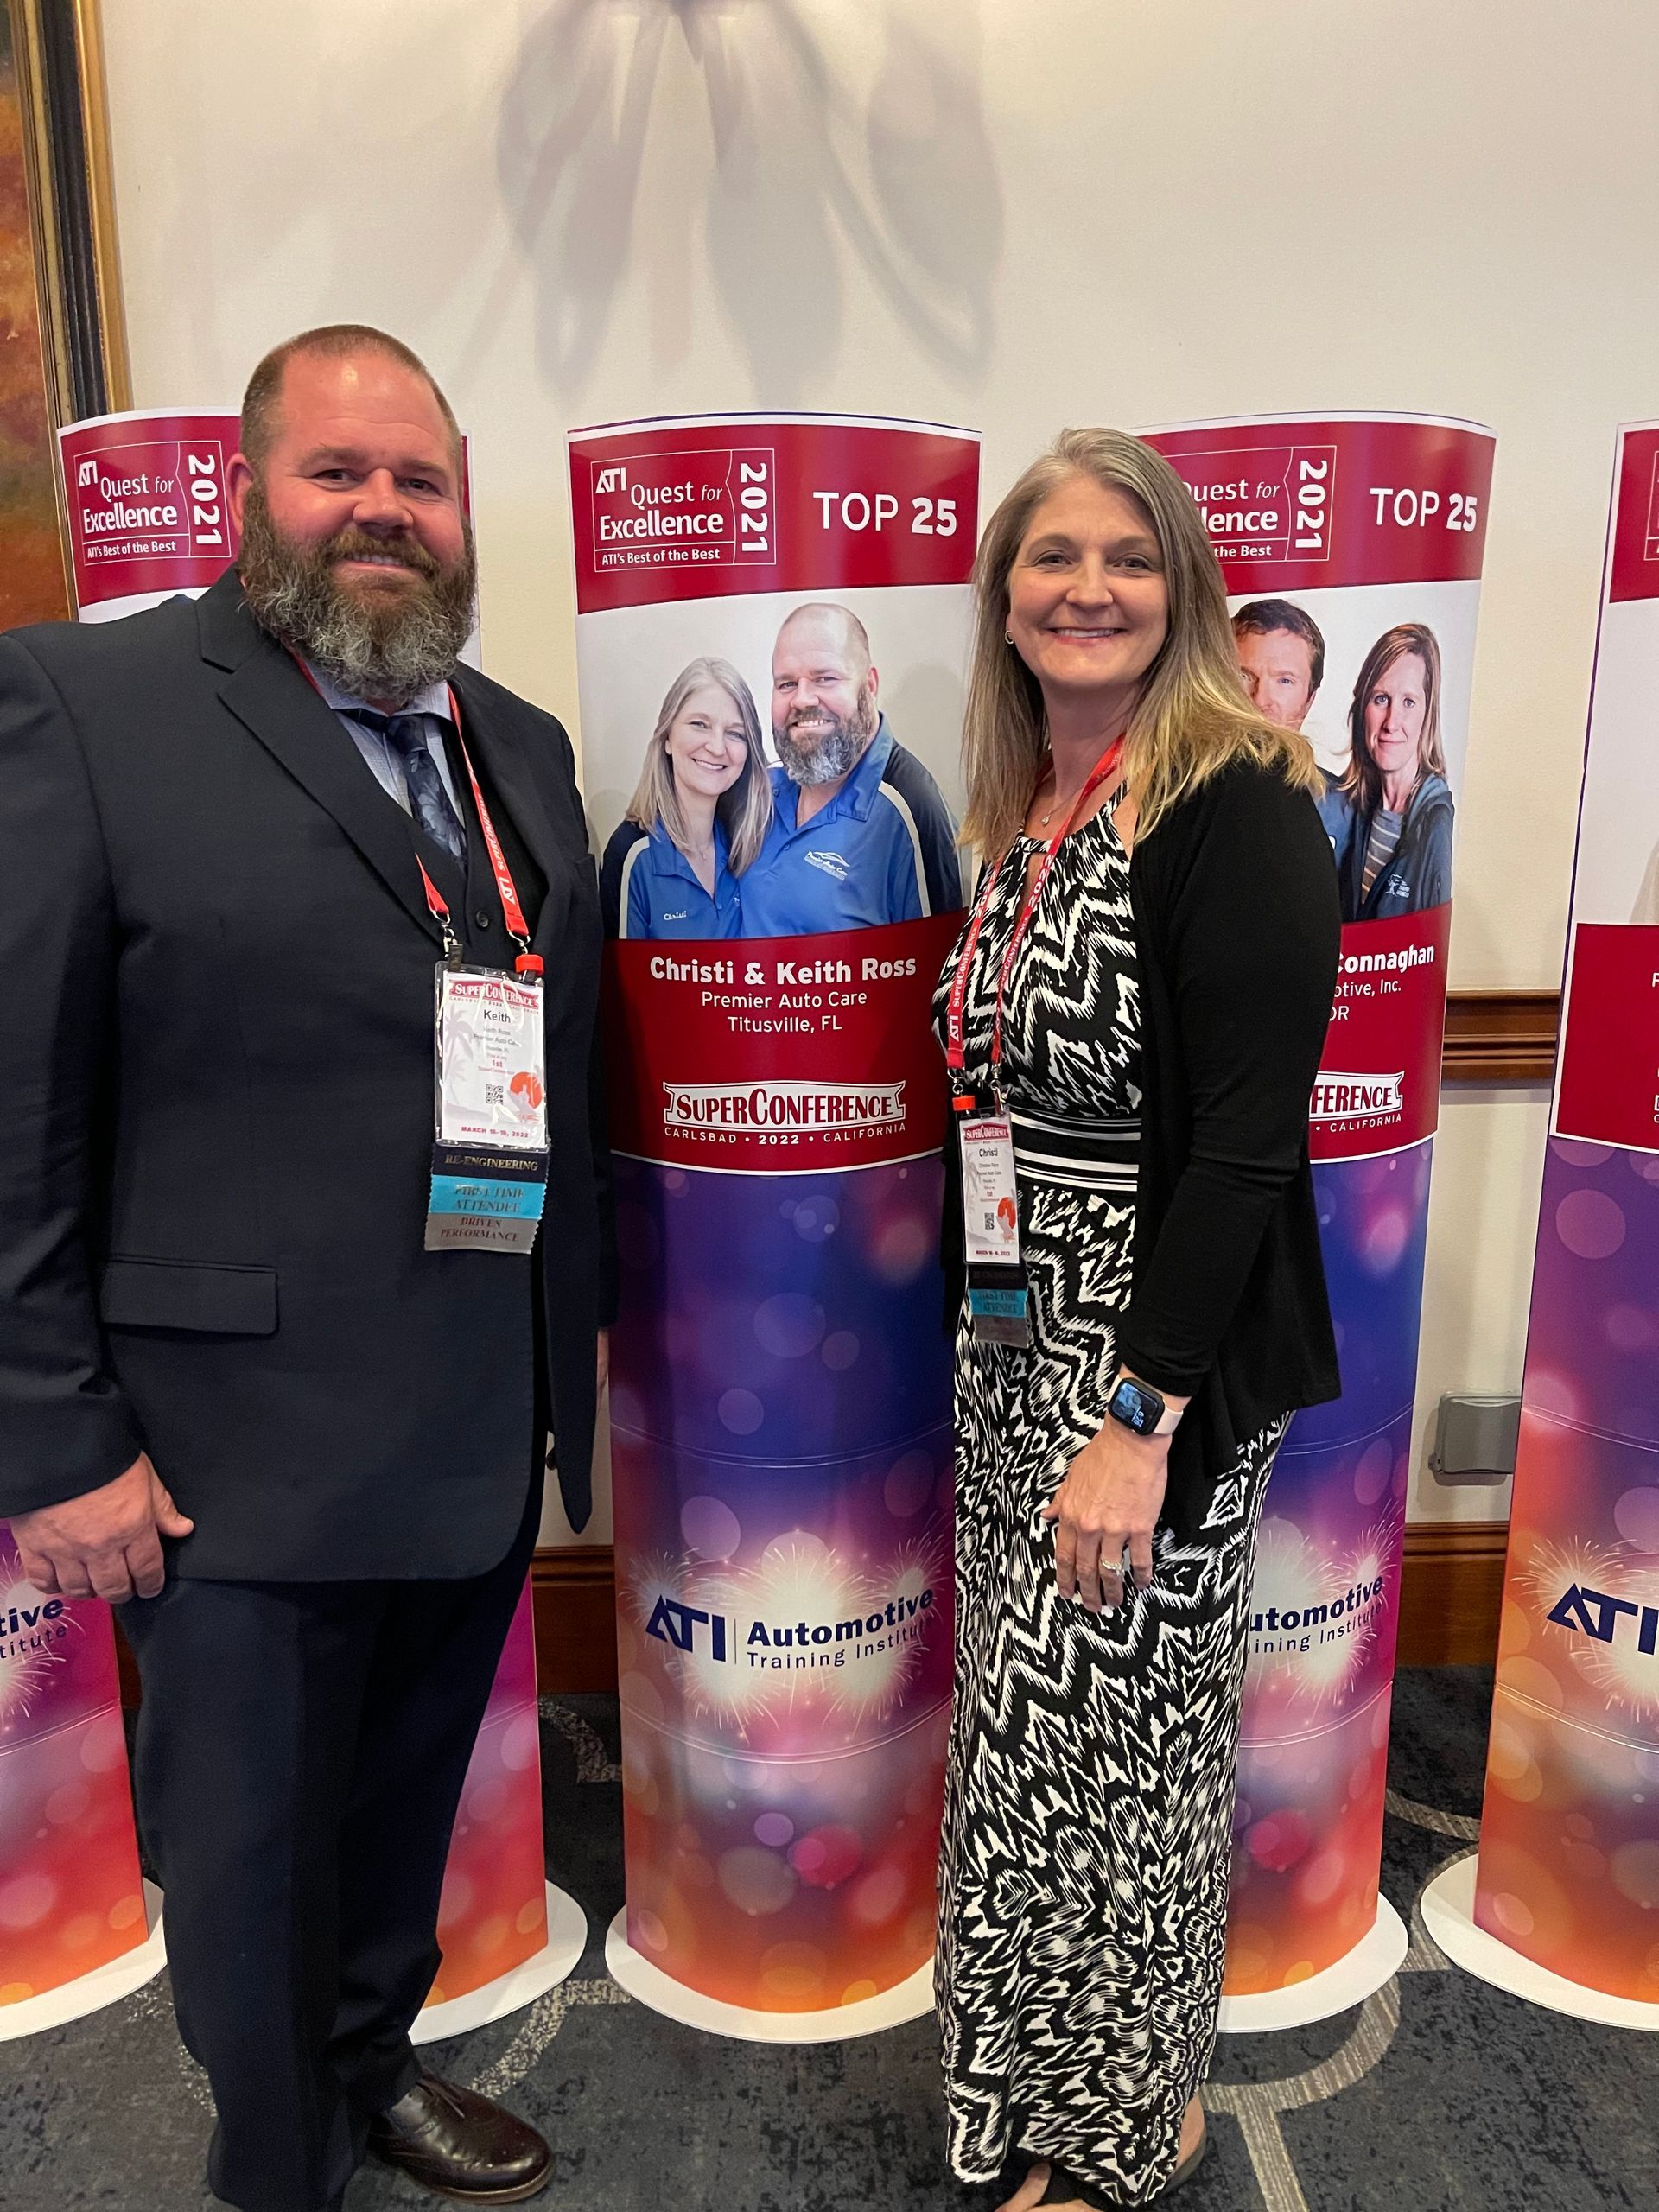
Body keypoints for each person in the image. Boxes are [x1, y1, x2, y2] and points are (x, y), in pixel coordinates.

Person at [0, 326, 613, 2212]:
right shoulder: (86, 703)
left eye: (419, 481)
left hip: (464, 1405)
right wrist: (49, 1434)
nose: (383, 511)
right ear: (250, 493)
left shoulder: (517, 746)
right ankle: (276, 2164)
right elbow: (19, 1099)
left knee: (400, 1806)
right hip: (224, 1451)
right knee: (252, 1862)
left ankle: (370, 2063)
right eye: (337, 472)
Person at [934, 428, 1340, 2210]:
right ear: (1005, 596)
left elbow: (1248, 1149)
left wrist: (1140, 1415)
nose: (1086, 587)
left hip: (1147, 1368)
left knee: (1131, 1748)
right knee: (1027, 1741)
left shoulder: (1233, 795)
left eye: (1128, 557)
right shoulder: (1021, 796)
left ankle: (1130, 2123)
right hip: (1016, 1337)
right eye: (1050, 557)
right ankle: (1026, 2085)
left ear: (1182, 586)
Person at [737, 600, 961, 934]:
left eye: (824, 678)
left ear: (869, 686)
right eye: (786, 684)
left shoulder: (908, 809)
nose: (802, 699)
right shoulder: (761, 789)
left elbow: (939, 970)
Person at [599, 656, 771, 938]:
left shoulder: (747, 846)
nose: (717, 747)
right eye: (699, 724)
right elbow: (619, 979)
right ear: (667, 737)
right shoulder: (632, 852)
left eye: (735, 733)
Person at [1337, 620, 1453, 920]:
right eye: (1381, 699)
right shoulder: (1353, 810)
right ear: (1363, 708)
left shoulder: (1436, 824)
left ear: (1428, 715)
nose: (1391, 722)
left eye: (1409, 702)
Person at [1232, 596, 1353, 867]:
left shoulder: (1345, 811)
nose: (1260, 699)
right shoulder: (1177, 793)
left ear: (1309, 699)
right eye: (1243, 676)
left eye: (1284, 681)